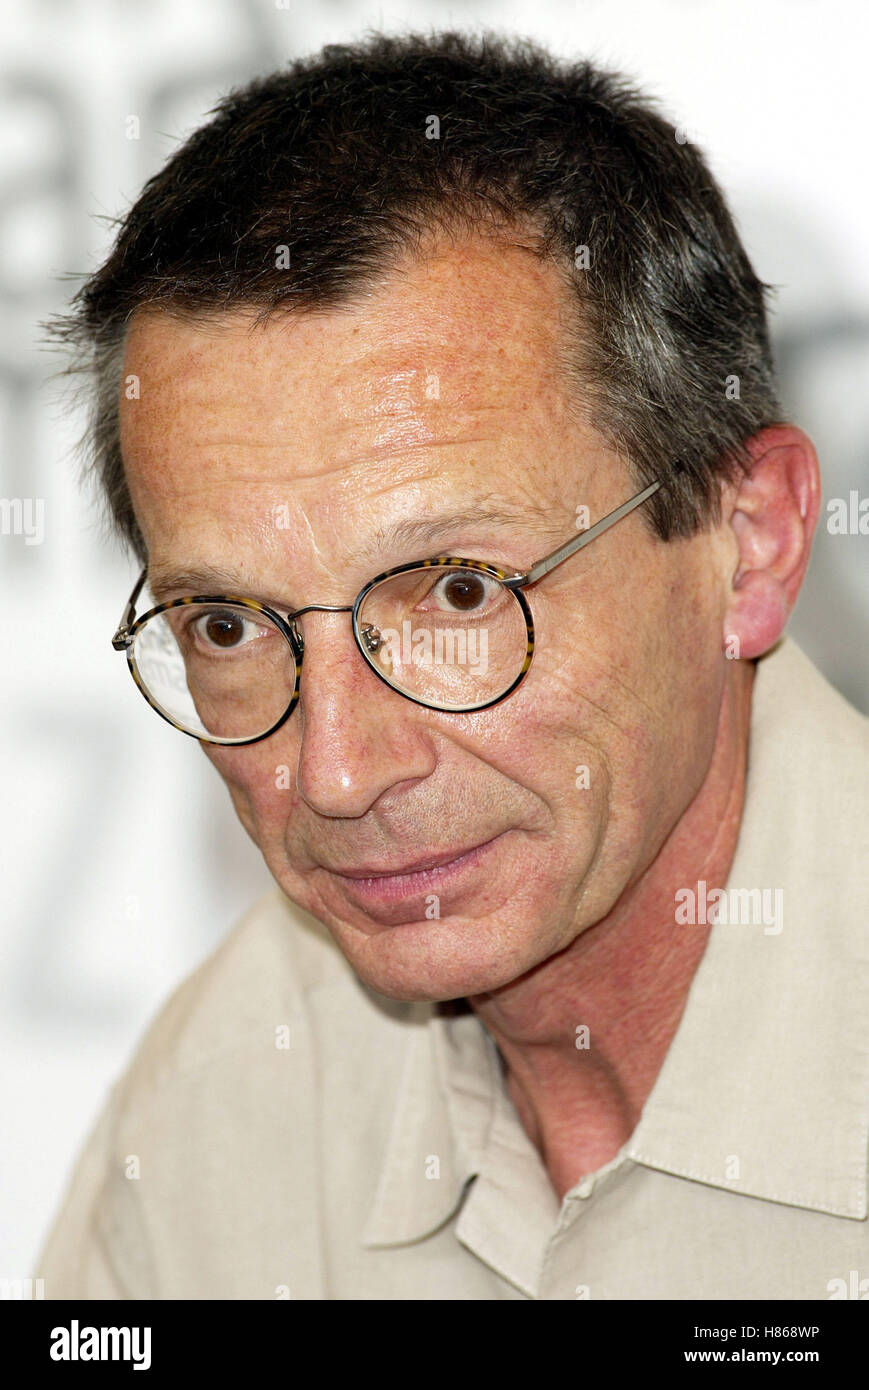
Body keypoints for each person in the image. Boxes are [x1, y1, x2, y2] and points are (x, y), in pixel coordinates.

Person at [35, 30, 869, 1300]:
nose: (334, 771)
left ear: (745, 545)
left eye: (461, 593)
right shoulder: (224, 1108)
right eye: (228, 626)